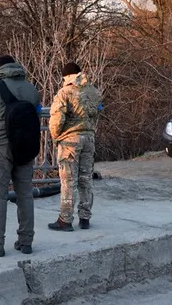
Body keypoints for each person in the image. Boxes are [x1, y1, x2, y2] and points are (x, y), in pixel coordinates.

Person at [0, 56, 41, 257]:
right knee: (25, 194)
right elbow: (36, 115)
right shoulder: (31, 88)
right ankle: (26, 241)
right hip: (26, 146)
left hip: (2, 148)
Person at [48, 62, 103, 231]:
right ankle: (85, 217)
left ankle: (65, 219)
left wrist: (56, 136)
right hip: (89, 138)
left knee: (68, 181)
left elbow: (57, 119)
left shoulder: (64, 92)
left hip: (70, 141)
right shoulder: (93, 91)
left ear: (66, 76)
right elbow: (98, 111)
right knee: (86, 179)